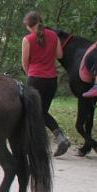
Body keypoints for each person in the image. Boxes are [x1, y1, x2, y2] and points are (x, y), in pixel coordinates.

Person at [21, 11, 71, 156]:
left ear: (29, 26)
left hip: (35, 78)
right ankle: (60, 138)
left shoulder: (28, 39)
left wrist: (30, 74)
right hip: (51, 80)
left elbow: (25, 64)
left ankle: (33, 145)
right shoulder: (53, 35)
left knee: (32, 112)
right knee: (41, 113)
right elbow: (60, 55)